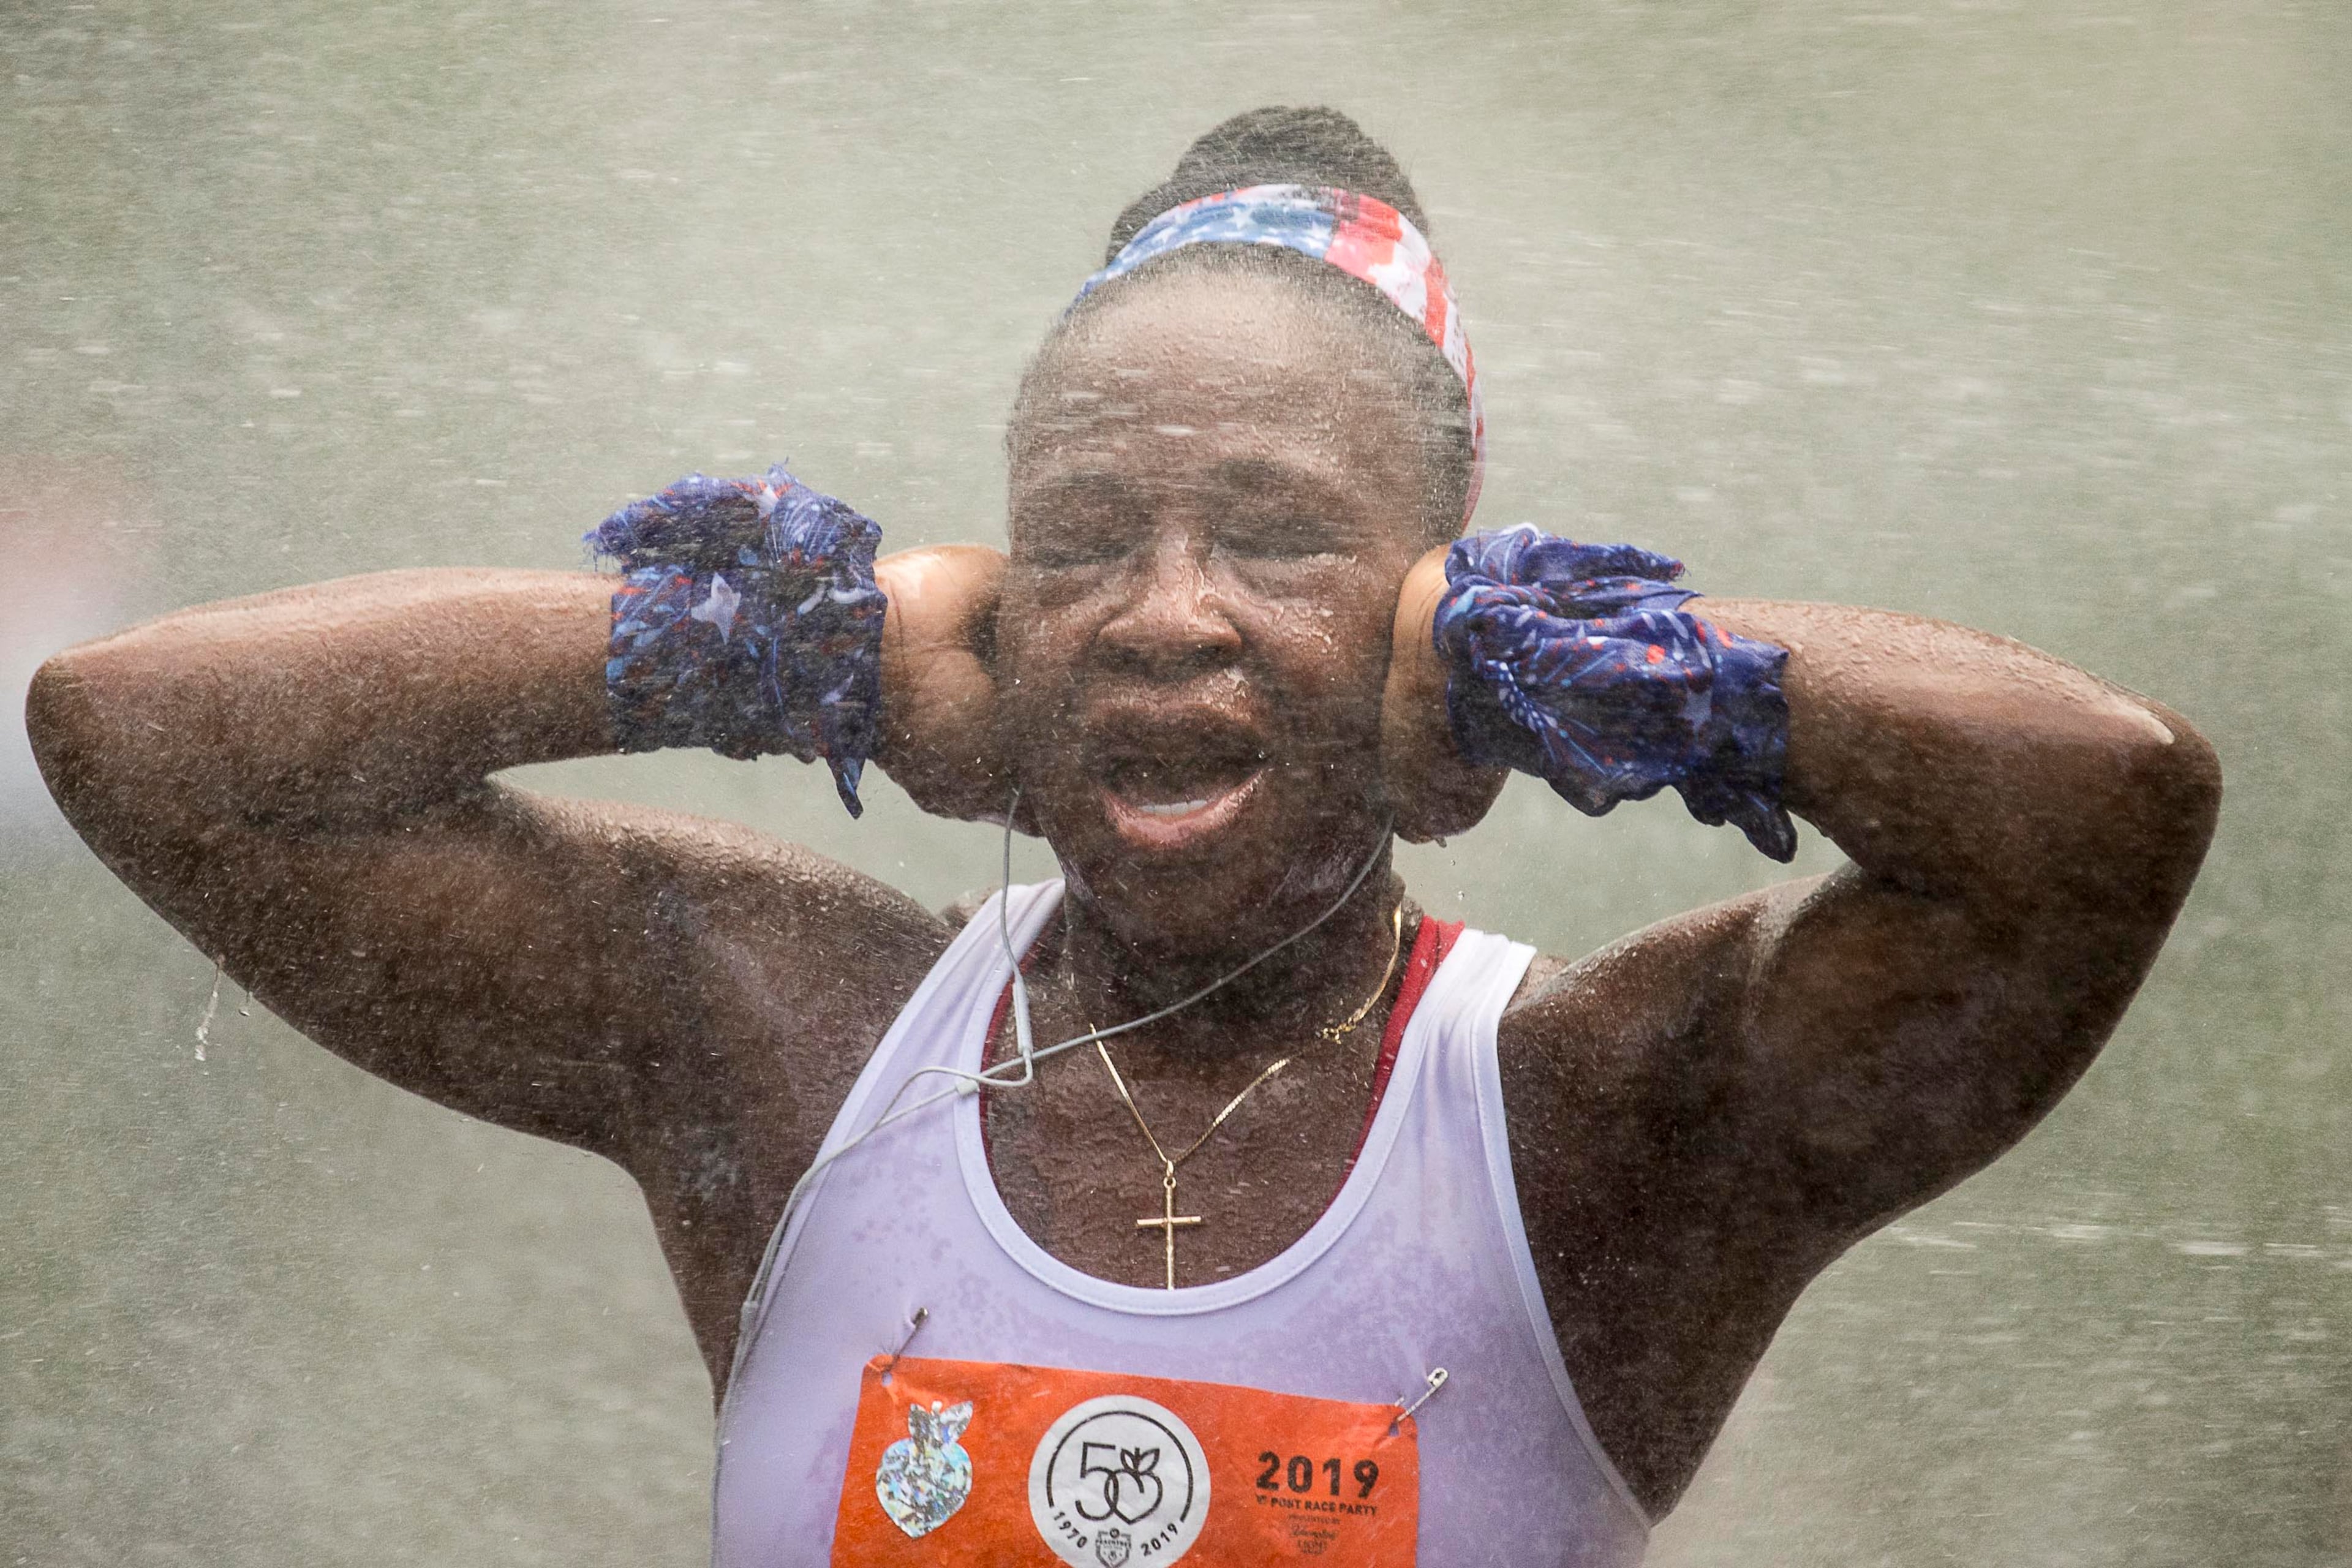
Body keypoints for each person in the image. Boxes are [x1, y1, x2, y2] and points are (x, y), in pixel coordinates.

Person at [28, 107, 2218, 1565]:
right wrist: (768, 648)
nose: (1169, 609)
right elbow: (139, 732)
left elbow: (2104, 803)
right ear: (986, 602)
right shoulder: (789, 1049)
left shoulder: (1592, 1129)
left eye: (1278, 536)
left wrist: (1587, 669)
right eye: (1083, 537)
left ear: (1438, 591)